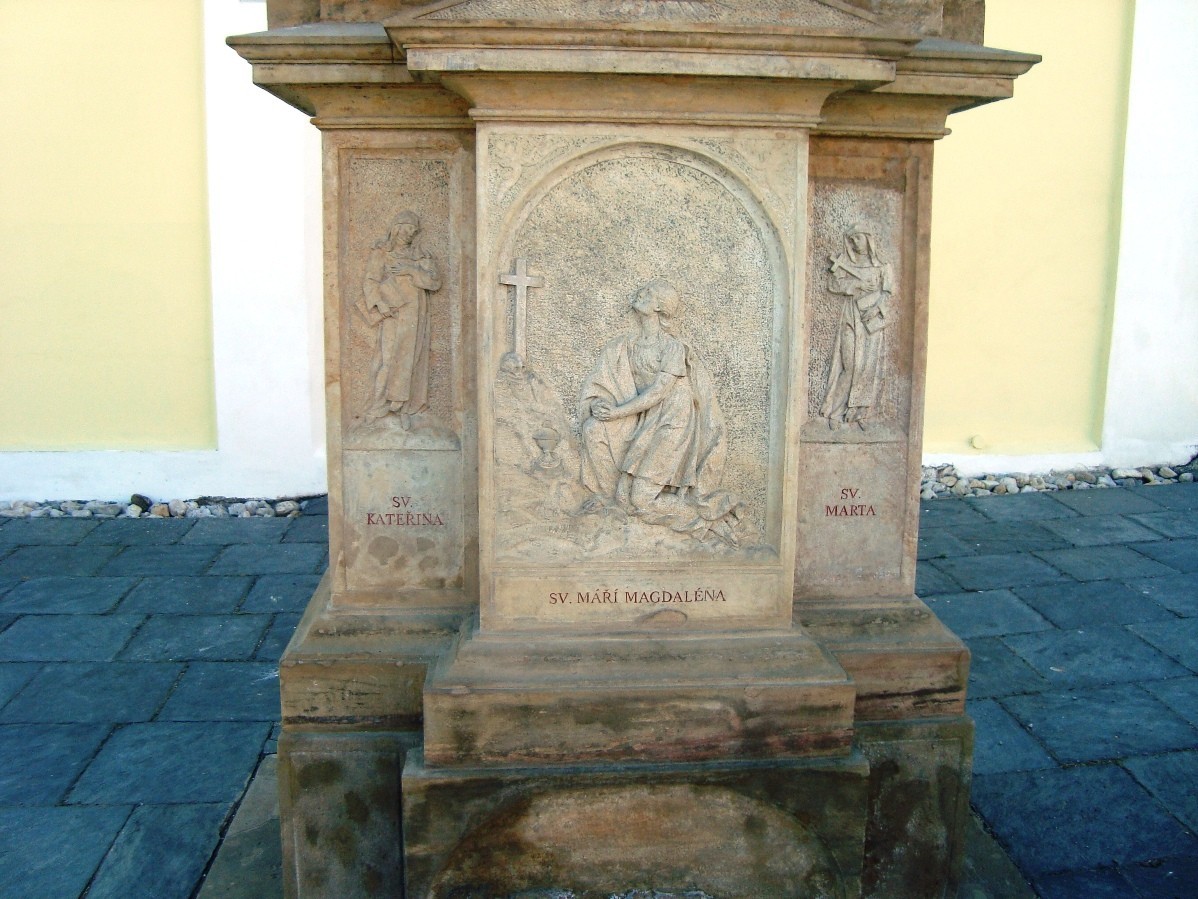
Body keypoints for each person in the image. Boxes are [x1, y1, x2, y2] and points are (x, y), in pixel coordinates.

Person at [578, 280, 741, 544]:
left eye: (648, 293)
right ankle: (685, 518)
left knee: (640, 499)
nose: (640, 293)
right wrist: (600, 402)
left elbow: (657, 393)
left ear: (659, 306)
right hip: (646, 418)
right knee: (623, 498)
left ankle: (707, 522)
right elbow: (613, 383)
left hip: (673, 421)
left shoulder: (672, 347)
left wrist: (616, 413)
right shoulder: (627, 345)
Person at [356, 211, 441, 428]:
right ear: (397, 228)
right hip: (393, 313)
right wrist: (380, 304)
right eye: (407, 227)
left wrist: (411, 269)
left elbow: (434, 283)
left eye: (414, 229)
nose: (410, 233)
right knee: (388, 360)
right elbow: (370, 281)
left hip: (415, 315)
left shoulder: (421, 256)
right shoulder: (382, 253)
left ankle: (404, 408)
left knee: (410, 360)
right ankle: (377, 406)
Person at [820, 225, 894, 431]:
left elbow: (887, 294)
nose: (854, 243)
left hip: (871, 321)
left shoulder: (882, 266)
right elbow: (833, 285)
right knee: (851, 365)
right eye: (851, 239)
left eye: (858, 238)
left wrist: (876, 308)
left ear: (868, 239)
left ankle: (859, 413)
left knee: (867, 369)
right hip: (851, 317)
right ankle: (836, 412)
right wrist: (856, 286)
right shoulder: (844, 263)